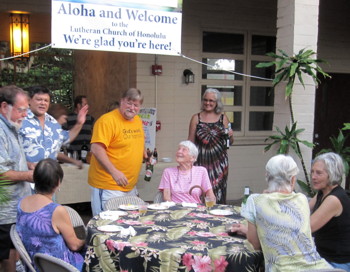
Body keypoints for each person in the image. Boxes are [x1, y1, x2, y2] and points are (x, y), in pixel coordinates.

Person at [234, 155, 331, 271]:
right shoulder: (302, 199)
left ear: (267, 176)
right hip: (319, 267)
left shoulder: (255, 201)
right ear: (293, 179)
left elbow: (254, 245)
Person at [16, 158, 86, 271]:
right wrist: (88, 240)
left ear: (35, 179)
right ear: (58, 182)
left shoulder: (21, 203)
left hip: (34, 264)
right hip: (59, 267)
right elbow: (74, 245)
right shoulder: (56, 210)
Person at [88, 88, 145, 216]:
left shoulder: (137, 121)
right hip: (108, 184)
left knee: (128, 224)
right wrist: (114, 172)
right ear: (121, 101)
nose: (132, 108)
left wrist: (144, 154)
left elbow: (137, 141)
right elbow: (96, 148)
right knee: (107, 224)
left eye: (136, 105)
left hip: (130, 186)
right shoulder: (107, 120)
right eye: (129, 103)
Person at [0, 85, 33, 272]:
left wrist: (28, 165)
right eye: (21, 110)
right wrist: (29, 175)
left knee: (14, 249)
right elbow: (1, 173)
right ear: (5, 106)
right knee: (7, 256)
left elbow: (10, 160)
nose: (25, 115)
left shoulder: (12, 126)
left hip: (15, 206)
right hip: (4, 210)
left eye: (26, 110)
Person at [19, 86, 88, 164]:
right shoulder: (20, 119)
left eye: (46, 100)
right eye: (39, 99)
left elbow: (66, 138)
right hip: (25, 174)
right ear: (29, 101)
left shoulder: (52, 122)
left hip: (50, 174)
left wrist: (79, 123)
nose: (43, 103)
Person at [188, 88, 233, 204]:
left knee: (217, 194)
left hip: (219, 164)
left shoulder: (223, 118)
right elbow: (190, 143)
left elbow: (230, 142)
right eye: (205, 100)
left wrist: (231, 136)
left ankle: (218, 218)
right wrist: (189, 164)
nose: (208, 103)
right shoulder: (196, 118)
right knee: (200, 192)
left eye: (211, 101)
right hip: (200, 164)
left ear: (217, 102)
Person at [310, 152, 350, 270]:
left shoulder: (334, 199)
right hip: (323, 257)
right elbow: (302, 209)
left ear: (331, 174)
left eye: (318, 173)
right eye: (312, 171)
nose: (313, 176)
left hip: (337, 263)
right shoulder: (322, 193)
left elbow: (307, 227)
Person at [48, 103, 83, 169]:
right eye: (64, 118)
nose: (65, 121)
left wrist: (80, 123)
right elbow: (55, 153)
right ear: (57, 115)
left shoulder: (57, 131)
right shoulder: (49, 131)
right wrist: (74, 161)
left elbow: (68, 136)